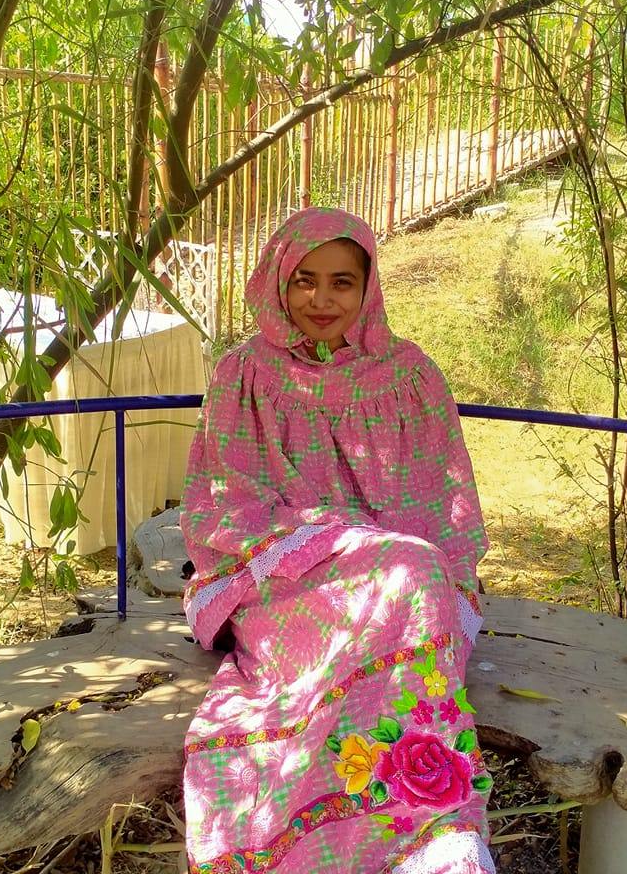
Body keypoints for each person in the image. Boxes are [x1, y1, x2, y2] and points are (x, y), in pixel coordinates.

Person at [180, 207, 496, 874]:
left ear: (368, 287)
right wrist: (328, 539)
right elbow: (222, 495)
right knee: (408, 570)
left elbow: (444, 498)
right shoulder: (243, 373)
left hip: (398, 573)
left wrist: (412, 561)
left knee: (417, 572)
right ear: (276, 283)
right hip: (285, 579)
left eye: (342, 282)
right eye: (304, 280)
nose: (322, 299)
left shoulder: (411, 373)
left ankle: (426, 842)